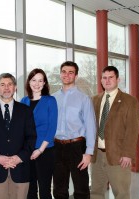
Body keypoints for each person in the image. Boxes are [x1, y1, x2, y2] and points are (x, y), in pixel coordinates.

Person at [90, 66, 139, 199]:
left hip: (119, 156)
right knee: (95, 192)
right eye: (104, 78)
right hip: (97, 156)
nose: (107, 80)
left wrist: (128, 154)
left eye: (111, 77)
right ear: (101, 80)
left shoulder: (130, 101)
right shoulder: (94, 100)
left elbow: (132, 130)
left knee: (121, 193)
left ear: (118, 79)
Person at [53, 61, 96, 199]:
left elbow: (91, 127)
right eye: (64, 72)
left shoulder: (84, 99)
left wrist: (88, 153)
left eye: (71, 72)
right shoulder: (53, 98)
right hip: (57, 146)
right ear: (60, 74)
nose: (67, 75)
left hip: (77, 146)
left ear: (76, 76)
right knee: (59, 188)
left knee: (81, 188)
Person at [0, 73, 36, 199]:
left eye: (10, 84)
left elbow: (31, 138)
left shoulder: (25, 110)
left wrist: (20, 157)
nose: (6, 88)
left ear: (15, 87)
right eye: (2, 85)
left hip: (20, 169)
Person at [20, 68, 58, 199]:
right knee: (30, 190)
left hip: (45, 150)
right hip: (28, 150)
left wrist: (40, 150)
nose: (37, 83)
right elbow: (21, 128)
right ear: (29, 82)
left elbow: (52, 129)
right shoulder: (23, 101)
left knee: (44, 190)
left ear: (44, 83)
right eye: (34, 80)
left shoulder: (50, 101)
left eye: (40, 80)